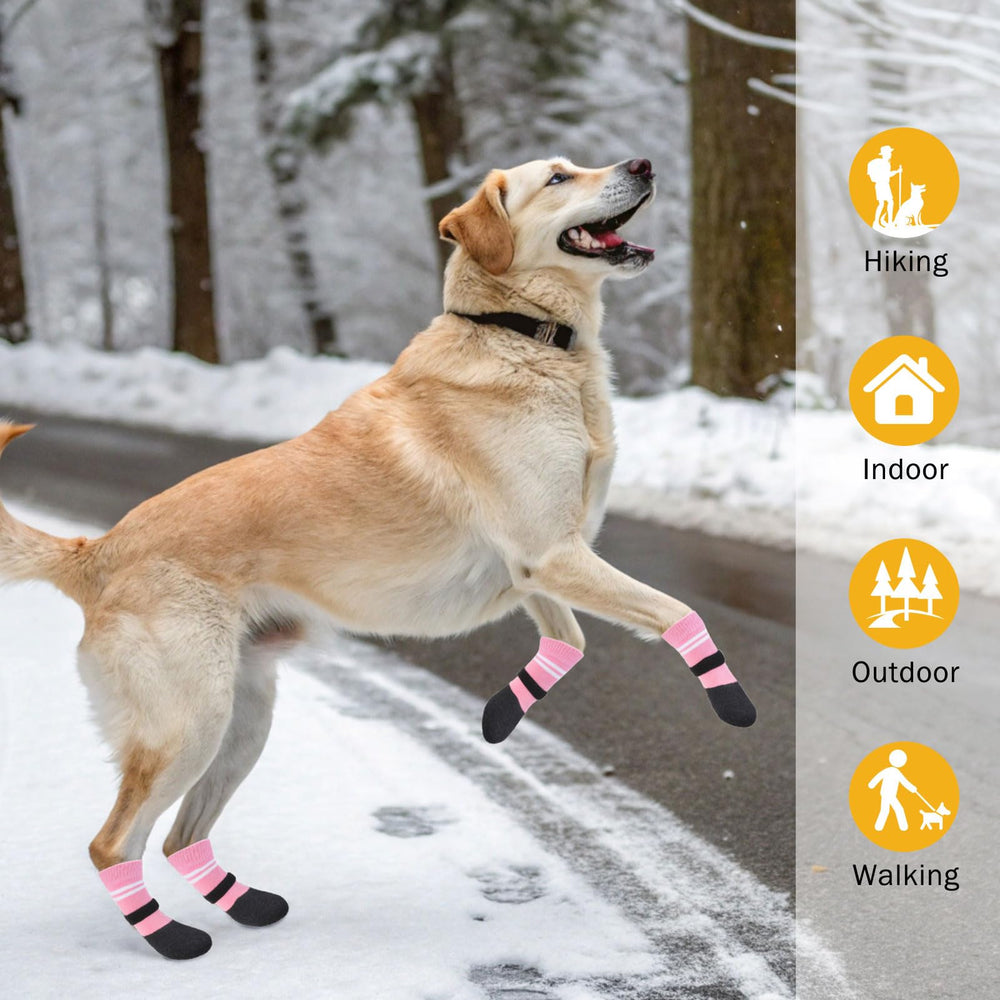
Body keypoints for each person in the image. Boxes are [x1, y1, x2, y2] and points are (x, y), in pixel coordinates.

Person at [868, 748, 916, 831]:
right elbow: (904, 782)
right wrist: (912, 788)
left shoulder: (889, 771)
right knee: (896, 809)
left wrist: (912, 788)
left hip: (887, 794)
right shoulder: (895, 772)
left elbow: (904, 782)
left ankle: (879, 827)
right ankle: (903, 827)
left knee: (886, 809)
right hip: (888, 794)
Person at [866, 145, 901, 229]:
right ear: (885, 154)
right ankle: (887, 222)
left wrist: (896, 172)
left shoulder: (886, 163)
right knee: (887, 202)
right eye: (889, 153)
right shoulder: (884, 163)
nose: (890, 154)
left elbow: (887, 175)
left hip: (883, 184)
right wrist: (896, 172)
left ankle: (883, 222)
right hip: (882, 184)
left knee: (884, 203)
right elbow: (886, 175)